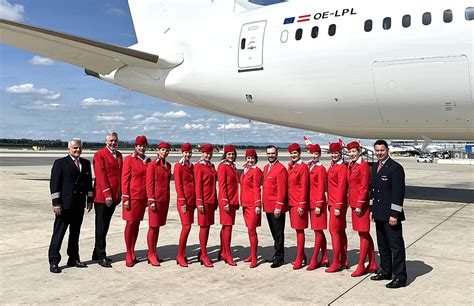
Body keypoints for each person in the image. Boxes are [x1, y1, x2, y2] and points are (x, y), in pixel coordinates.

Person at [48, 138, 93, 273]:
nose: (77, 150)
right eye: (75, 148)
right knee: (59, 233)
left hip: (78, 205)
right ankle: (54, 261)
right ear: (69, 149)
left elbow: (88, 184)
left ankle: (73, 258)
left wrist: (89, 199)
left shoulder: (85, 163)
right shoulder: (60, 163)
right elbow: (54, 184)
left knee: (75, 233)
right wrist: (56, 203)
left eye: (79, 148)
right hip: (64, 205)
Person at [370, 139, 407, 288]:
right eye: (377, 150)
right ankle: (385, 270)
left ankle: (400, 277)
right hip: (379, 213)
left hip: (391, 215)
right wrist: (372, 211)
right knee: (383, 245)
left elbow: (398, 193)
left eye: (382, 150)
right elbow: (373, 191)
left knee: (396, 246)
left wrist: (394, 214)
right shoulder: (374, 167)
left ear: (387, 150)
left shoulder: (395, 168)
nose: (379, 153)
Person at [346, 141, 378, 277]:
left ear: (359, 151)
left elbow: (365, 187)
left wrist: (359, 205)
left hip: (361, 206)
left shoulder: (363, 166)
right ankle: (372, 263)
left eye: (354, 151)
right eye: (350, 152)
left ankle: (361, 265)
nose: (352, 154)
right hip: (353, 204)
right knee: (363, 233)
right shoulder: (351, 164)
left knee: (363, 233)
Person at [92, 131, 122, 268]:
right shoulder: (100, 154)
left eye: (115, 140)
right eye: (111, 141)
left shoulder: (119, 155)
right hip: (103, 197)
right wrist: (107, 194)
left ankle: (96, 252)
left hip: (114, 196)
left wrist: (119, 194)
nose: (113, 143)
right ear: (106, 141)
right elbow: (100, 175)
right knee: (100, 226)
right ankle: (101, 255)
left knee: (106, 226)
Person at [122, 135, 150, 267]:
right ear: (135, 146)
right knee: (130, 224)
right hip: (132, 198)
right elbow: (125, 179)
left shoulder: (148, 161)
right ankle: (128, 253)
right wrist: (125, 197)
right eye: (139, 146)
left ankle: (133, 251)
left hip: (143, 199)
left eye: (144, 146)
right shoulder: (129, 160)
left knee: (137, 224)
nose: (142, 148)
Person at [145, 142, 172, 266]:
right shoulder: (152, 165)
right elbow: (149, 184)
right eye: (162, 150)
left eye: (166, 150)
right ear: (158, 150)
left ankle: (153, 252)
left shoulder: (168, 165)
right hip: (155, 201)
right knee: (153, 227)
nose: (164, 152)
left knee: (158, 227)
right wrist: (151, 200)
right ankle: (151, 254)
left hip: (164, 200)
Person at [262, 145, 288, 268]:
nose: (271, 155)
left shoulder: (281, 169)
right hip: (268, 206)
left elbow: (282, 190)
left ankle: (279, 257)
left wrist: (279, 206)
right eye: (269, 153)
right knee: (273, 232)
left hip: (276, 207)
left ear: (276, 154)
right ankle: (276, 253)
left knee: (278, 233)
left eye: (273, 153)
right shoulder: (266, 167)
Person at [306, 144, 330, 271]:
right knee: (319, 231)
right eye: (312, 154)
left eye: (316, 154)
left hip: (317, 203)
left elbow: (321, 188)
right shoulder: (310, 166)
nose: (313, 156)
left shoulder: (320, 169)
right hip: (310, 202)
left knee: (317, 232)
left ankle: (314, 259)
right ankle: (325, 256)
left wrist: (319, 204)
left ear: (319, 155)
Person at [325, 142, 349, 273]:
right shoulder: (333, 166)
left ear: (340, 153)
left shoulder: (341, 168)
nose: (334, 155)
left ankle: (336, 262)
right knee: (340, 231)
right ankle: (343, 259)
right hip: (333, 203)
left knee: (333, 231)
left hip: (337, 204)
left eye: (336, 153)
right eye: (332, 153)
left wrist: (338, 206)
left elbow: (341, 187)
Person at [194, 144, 218, 268]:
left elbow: (213, 185)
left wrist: (215, 200)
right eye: (206, 153)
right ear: (202, 153)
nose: (208, 155)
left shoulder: (212, 166)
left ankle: (201, 251)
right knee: (203, 227)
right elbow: (198, 185)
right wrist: (199, 202)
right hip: (203, 202)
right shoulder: (198, 166)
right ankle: (204, 254)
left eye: (210, 153)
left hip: (211, 201)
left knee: (207, 227)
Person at [287, 143, 309, 270]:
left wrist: (301, 204)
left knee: (300, 231)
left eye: (295, 153)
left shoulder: (303, 167)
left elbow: (304, 187)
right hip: (292, 203)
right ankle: (302, 255)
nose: (293, 155)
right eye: (291, 153)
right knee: (296, 230)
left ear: (299, 153)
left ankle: (300, 258)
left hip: (298, 204)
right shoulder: (291, 166)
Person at [217, 144, 240, 266]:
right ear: (225, 155)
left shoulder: (232, 167)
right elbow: (222, 185)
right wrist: (225, 201)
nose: (231, 156)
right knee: (228, 227)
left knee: (226, 227)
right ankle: (227, 253)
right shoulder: (223, 167)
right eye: (229, 154)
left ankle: (223, 251)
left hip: (232, 200)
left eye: (232, 154)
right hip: (226, 201)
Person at [174, 143, 196, 267]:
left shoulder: (191, 166)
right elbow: (178, 186)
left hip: (192, 201)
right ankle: (179, 255)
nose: (187, 155)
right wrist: (182, 201)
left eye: (189, 152)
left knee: (188, 228)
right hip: (184, 202)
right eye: (185, 152)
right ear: (182, 153)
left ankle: (183, 254)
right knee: (186, 227)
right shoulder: (178, 166)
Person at [240, 149, 263, 268]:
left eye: (252, 158)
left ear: (256, 159)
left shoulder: (256, 171)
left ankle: (254, 257)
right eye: (248, 158)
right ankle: (252, 254)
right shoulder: (245, 170)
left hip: (253, 205)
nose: (250, 160)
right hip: (245, 204)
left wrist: (258, 205)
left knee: (252, 230)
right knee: (249, 231)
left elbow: (256, 188)